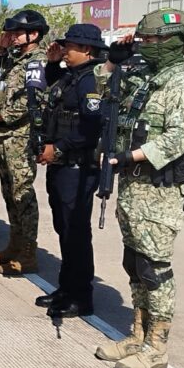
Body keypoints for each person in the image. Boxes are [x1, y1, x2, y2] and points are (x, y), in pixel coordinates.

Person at [94, 8, 184, 368]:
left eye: (154, 39)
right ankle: (138, 335)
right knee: (133, 262)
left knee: (154, 268)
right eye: (144, 39)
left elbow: (181, 137)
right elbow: (101, 92)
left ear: (174, 42)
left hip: (159, 189)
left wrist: (130, 155)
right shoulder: (144, 78)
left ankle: (157, 347)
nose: (147, 45)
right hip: (132, 186)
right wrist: (113, 62)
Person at [34, 24, 106, 318]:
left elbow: (91, 128)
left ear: (86, 49)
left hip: (78, 167)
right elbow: (53, 92)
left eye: (69, 47)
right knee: (63, 228)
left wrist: (59, 147)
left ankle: (81, 296)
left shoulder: (91, 81)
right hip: (62, 165)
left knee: (76, 232)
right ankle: (66, 288)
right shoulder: (71, 75)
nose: (64, 50)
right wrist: (53, 64)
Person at [0, 10, 49, 275]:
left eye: (18, 33)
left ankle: (28, 252)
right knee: (9, 193)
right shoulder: (15, 59)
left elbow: (31, 101)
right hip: (5, 136)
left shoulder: (37, 62)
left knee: (23, 195)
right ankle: (15, 244)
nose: (13, 37)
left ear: (34, 34)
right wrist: (1, 48)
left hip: (21, 136)